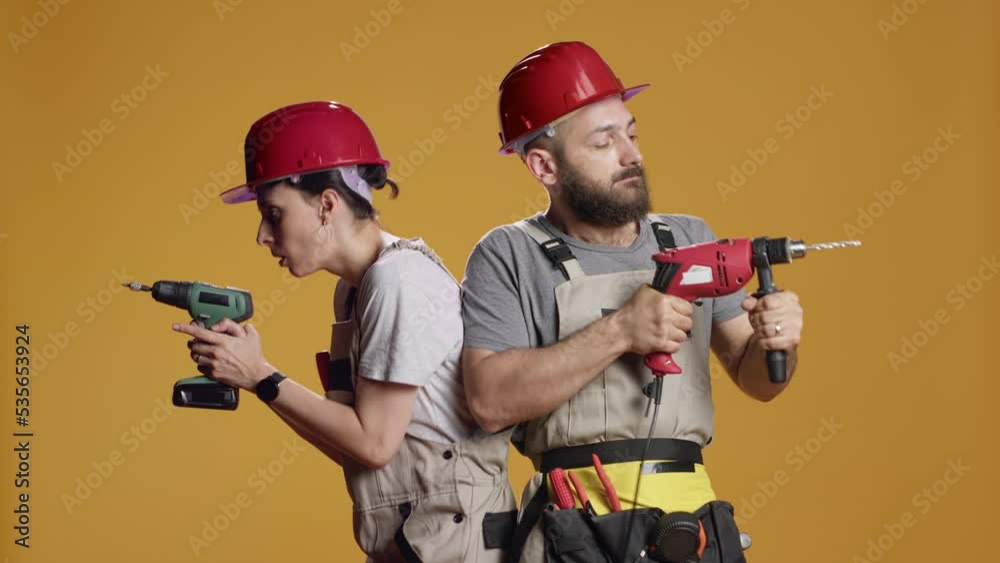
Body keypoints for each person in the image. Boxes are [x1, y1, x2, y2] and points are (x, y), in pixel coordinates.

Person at [460, 42, 805, 562]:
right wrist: (621, 330)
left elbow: (758, 379)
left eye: (632, 133)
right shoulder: (507, 254)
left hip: (689, 522)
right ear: (543, 166)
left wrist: (777, 341)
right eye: (604, 142)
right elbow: (489, 402)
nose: (632, 155)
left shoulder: (689, 237)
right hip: (572, 526)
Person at [172, 101, 516, 562]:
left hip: (458, 548)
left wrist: (262, 376)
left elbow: (373, 445)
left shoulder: (399, 281)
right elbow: (352, 447)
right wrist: (254, 380)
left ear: (327, 205)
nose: (262, 235)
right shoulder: (354, 290)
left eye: (273, 213)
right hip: (414, 542)